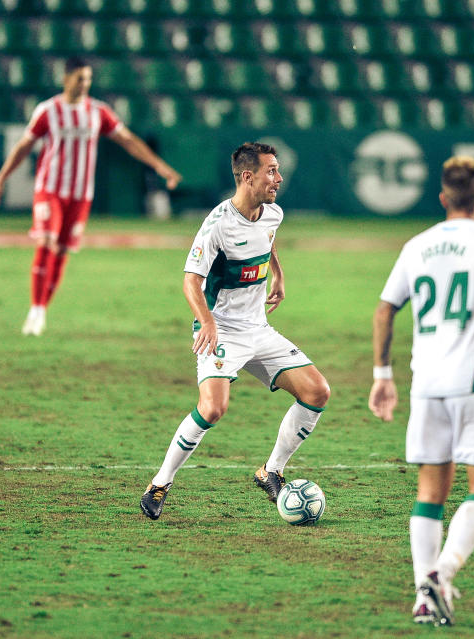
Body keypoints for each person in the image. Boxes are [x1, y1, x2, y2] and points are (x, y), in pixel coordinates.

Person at [368, 156, 474, 627]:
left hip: (426, 386)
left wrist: (383, 374)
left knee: (430, 493)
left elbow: (385, 310)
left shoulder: (416, 245)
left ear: (443, 199)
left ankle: (424, 596)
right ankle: (440, 574)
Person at [140, 141, 331, 520]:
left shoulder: (272, 214)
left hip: (258, 328)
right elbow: (190, 281)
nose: (278, 178)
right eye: (271, 171)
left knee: (317, 392)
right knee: (212, 408)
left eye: (277, 170)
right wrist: (207, 321)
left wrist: (276, 273)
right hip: (222, 330)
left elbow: (268, 241)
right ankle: (160, 483)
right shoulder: (218, 225)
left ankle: (271, 471)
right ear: (248, 176)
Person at [0, 56, 182, 336]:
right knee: (45, 242)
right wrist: (0, 180)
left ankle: (41, 309)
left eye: (88, 78)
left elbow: (128, 141)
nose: (85, 84)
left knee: (62, 251)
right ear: (66, 79)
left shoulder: (98, 112)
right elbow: (23, 147)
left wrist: (160, 166)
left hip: (80, 195)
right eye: (80, 78)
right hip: (50, 189)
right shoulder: (48, 111)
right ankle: (36, 308)